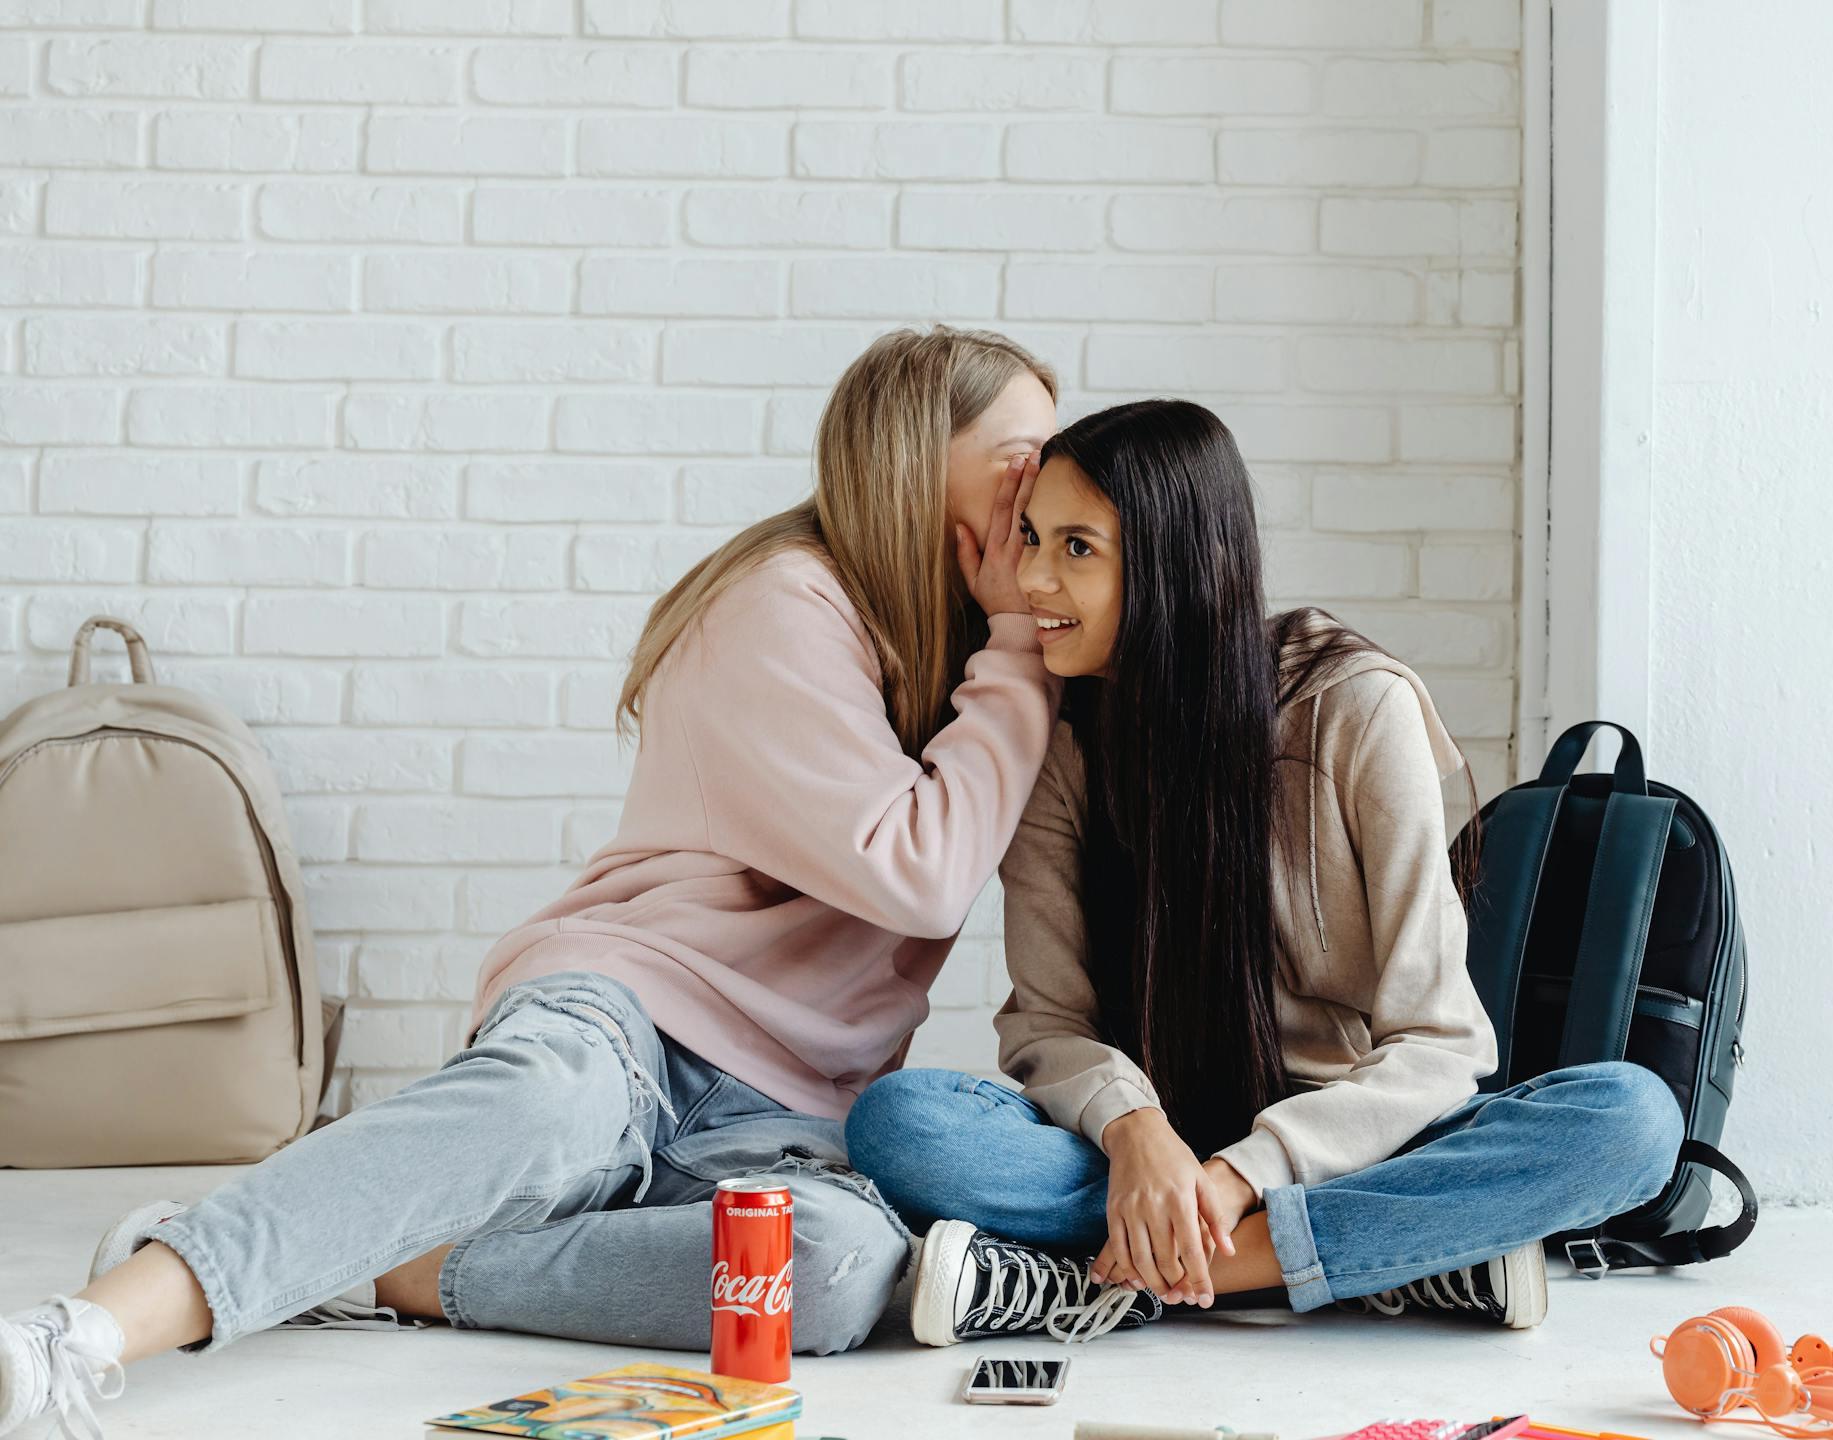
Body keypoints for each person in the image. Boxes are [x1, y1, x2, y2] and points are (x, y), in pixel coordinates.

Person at [0, 327, 1063, 1440]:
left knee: (840, 1271)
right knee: (551, 1105)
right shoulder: (788, 601)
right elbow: (923, 876)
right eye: (1021, 457)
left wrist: (1014, 646)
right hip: (637, 1017)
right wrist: (1016, 649)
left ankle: (404, 1261)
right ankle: (82, 1331)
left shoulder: (982, 658)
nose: (1039, 488)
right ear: (912, 460)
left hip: (788, 1111)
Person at [844, 398, 1684, 1347]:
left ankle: (1133, 1277)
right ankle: (1402, 1257)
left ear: (1175, 561)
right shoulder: (1062, 745)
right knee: (901, 1122)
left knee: (1636, 1120)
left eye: (1077, 548)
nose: (1033, 578)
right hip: (1147, 1162)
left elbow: (1441, 1043)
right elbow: (1049, 1023)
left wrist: (1243, 1175)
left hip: (1343, 1150)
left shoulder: (1355, 709)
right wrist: (1135, 1133)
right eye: (1032, 538)